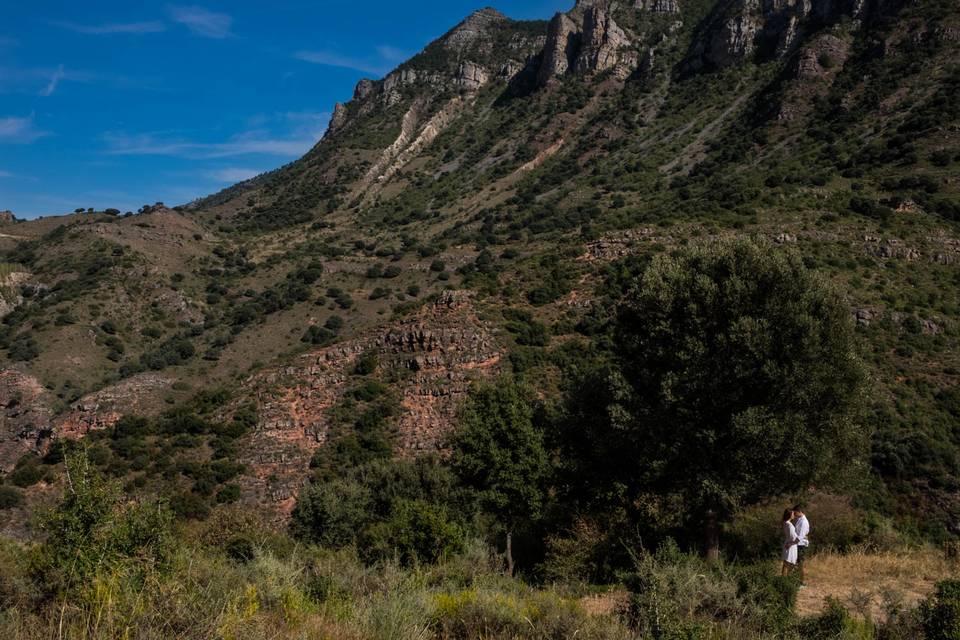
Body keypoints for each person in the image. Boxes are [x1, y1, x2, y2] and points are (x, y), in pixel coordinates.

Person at [793, 504, 810, 587]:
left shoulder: (804, 522)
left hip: (801, 544)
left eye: (795, 513)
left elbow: (801, 536)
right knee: (797, 563)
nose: (794, 515)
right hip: (798, 544)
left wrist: (792, 543)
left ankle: (802, 582)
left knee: (800, 563)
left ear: (799, 512)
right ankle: (797, 580)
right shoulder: (799, 519)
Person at [781, 508, 799, 576]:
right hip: (790, 544)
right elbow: (793, 537)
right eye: (792, 514)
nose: (794, 515)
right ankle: (786, 579)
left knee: (786, 563)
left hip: (788, 542)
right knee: (788, 562)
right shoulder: (789, 525)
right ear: (789, 515)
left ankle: (784, 579)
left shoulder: (785, 523)